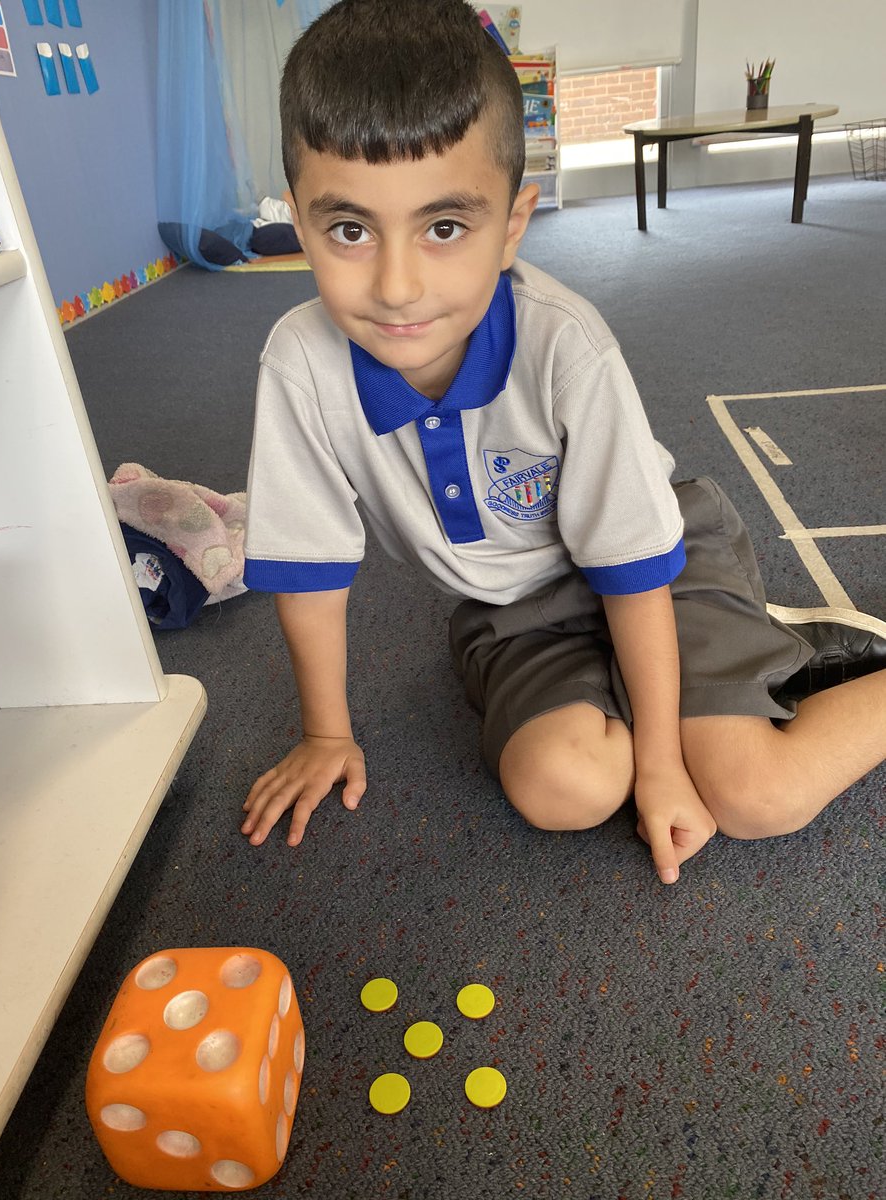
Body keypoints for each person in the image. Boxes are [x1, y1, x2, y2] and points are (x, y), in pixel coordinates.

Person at [240, 0, 886, 882]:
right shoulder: (298, 363)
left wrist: (662, 767)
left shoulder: (566, 345)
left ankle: (749, 656)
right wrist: (326, 732)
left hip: (659, 565)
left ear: (512, 226)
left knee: (754, 795)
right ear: (299, 223)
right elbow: (310, 572)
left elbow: (631, 565)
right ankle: (730, 670)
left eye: (444, 227)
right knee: (564, 789)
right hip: (517, 609)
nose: (396, 286)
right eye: (349, 230)